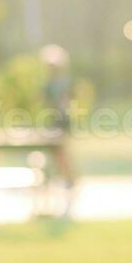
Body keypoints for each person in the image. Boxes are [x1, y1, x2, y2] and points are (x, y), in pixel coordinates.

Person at [38, 44, 78, 217]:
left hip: (61, 121)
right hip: (52, 121)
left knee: (61, 152)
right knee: (56, 153)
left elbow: (67, 100)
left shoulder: (63, 83)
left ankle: (69, 179)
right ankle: (62, 178)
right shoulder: (49, 83)